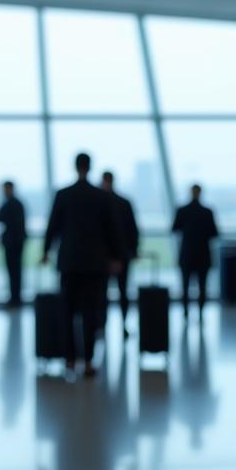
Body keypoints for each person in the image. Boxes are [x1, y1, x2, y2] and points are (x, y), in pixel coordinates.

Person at [42, 153, 121, 378]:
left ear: (75, 166)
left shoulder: (63, 195)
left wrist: (46, 251)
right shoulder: (101, 197)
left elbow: (53, 226)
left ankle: (69, 359)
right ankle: (87, 361)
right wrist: (116, 257)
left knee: (66, 311)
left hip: (69, 262)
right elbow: (112, 230)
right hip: (94, 264)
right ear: (91, 166)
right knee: (90, 312)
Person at [171, 184, 219, 322]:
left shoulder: (182, 210)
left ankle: (186, 312)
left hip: (187, 253)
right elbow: (214, 233)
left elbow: (174, 228)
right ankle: (201, 313)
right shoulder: (207, 212)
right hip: (203, 253)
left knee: (185, 285)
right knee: (202, 286)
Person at [100, 171, 140, 336]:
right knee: (121, 291)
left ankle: (102, 326)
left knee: (103, 293)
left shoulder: (99, 203)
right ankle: (120, 324)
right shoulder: (123, 203)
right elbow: (133, 230)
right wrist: (132, 250)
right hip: (121, 256)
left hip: (104, 257)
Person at [0, 180, 27, 308]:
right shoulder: (17, 204)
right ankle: (15, 299)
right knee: (15, 273)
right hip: (16, 242)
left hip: (12, 243)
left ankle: (15, 300)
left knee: (14, 272)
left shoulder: (11, 204)